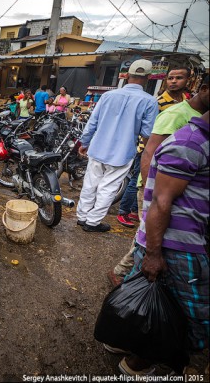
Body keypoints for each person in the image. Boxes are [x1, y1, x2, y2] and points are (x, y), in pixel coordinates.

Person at [114, 110, 209, 377]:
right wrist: (154, 253)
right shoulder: (190, 143)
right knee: (189, 318)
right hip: (177, 244)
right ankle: (140, 363)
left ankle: (121, 341)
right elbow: (160, 201)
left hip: (170, 241)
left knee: (139, 298)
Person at [109, 73, 209, 286]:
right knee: (148, 239)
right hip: (161, 192)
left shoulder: (188, 108)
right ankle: (125, 277)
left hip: (175, 195)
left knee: (146, 237)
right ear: (204, 89)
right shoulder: (176, 113)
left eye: (179, 78)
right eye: (171, 78)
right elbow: (149, 152)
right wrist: (148, 190)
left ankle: (127, 275)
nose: (174, 81)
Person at [76, 59, 158, 232]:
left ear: (127, 76)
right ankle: (92, 222)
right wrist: (147, 153)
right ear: (148, 78)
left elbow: (93, 122)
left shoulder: (107, 96)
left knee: (90, 184)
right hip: (123, 152)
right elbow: (146, 133)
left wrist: (84, 142)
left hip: (98, 147)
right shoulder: (149, 101)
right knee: (108, 188)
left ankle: (82, 217)